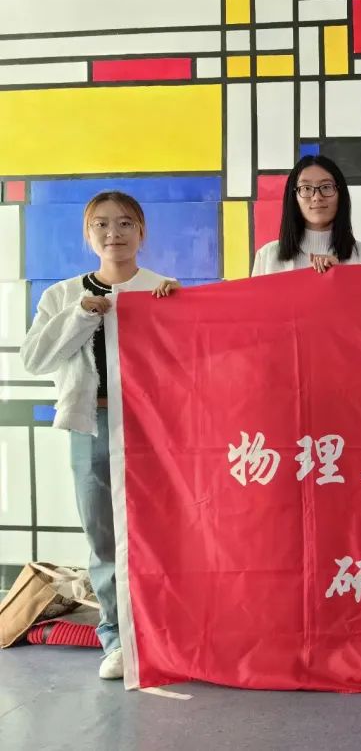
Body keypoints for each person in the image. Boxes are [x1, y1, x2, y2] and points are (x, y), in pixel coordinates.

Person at [20, 191, 179, 679]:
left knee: (162, 532)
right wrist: (82, 314)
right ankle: (116, 638)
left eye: (126, 223)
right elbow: (35, 359)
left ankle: (167, 634)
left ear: (142, 232)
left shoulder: (161, 289)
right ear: (88, 234)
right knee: (103, 535)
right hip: (91, 425)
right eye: (102, 224)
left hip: (154, 429)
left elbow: (189, 364)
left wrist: (180, 312)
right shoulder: (63, 296)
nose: (114, 233)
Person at [251, 154, 361, 275]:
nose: (317, 197)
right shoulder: (267, 258)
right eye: (306, 188)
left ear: (341, 194)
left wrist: (343, 276)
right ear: (293, 197)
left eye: (326, 187)